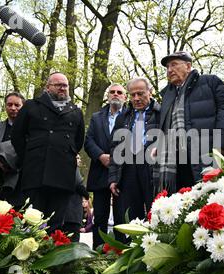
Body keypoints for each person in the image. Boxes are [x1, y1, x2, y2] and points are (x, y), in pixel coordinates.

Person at [156, 51, 224, 194]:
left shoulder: (210, 82)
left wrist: (220, 146)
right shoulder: (167, 97)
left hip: (209, 155)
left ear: (188, 66)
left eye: (174, 64)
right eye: (167, 67)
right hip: (178, 165)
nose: (169, 70)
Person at [11, 72, 85, 233]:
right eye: (58, 85)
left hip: (63, 176)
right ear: (47, 87)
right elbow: (17, 136)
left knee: (56, 224)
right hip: (36, 173)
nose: (62, 88)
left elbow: (78, 141)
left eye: (65, 85)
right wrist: (30, 157)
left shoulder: (76, 111)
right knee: (32, 222)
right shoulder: (31, 106)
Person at [109, 77, 160, 240]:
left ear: (150, 92)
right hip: (129, 169)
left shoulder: (162, 112)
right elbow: (115, 149)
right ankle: (132, 251)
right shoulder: (123, 117)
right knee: (131, 216)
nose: (136, 98)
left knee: (155, 211)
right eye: (132, 95)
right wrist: (113, 178)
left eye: (140, 94)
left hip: (153, 168)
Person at [84, 83, 127, 248]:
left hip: (122, 174)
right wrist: (101, 156)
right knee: (100, 217)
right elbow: (88, 141)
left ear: (124, 96)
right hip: (100, 172)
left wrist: (117, 158)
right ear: (108, 96)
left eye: (119, 92)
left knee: (121, 217)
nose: (115, 94)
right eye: (112, 92)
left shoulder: (130, 116)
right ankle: (98, 252)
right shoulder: (96, 117)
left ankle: (120, 251)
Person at [62, 154, 90, 242]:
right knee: (73, 242)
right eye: (77, 158)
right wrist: (86, 194)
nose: (79, 160)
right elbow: (78, 184)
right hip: (72, 214)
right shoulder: (73, 168)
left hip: (64, 214)